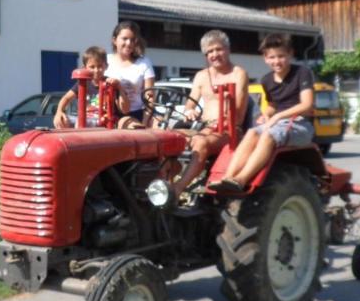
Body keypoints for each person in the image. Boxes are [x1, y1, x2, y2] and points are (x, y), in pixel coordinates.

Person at [210, 33, 315, 193]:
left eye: (281, 56)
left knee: (268, 135)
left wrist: (278, 116)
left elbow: (307, 105)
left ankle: (241, 179)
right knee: (252, 132)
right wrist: (266, 114)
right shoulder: (266, 80)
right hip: (277, 124)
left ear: (290, 54)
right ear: (265, 58)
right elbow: (273, 105)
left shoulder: (302, 73)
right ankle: (228, 177)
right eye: (272, 57)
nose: (276, 61)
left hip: (300, 124)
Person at [172, 30, 248, 192]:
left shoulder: (238, 74)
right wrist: (189, 111)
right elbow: (189, 104)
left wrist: (229, 101)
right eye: (210, 51)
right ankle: (162, 182)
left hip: (230, 130)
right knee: (166, 138)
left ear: (227, 50)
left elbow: (239, 113)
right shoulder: (201, 76)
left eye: (218, 49)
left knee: (201, 142)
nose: (215, 54)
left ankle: (178, 189)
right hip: (205, 128)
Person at [53, 46, 129, 129]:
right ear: (85, 68)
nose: (96, 70)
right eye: (92, 67)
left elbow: (125, 110)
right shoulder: (83, 83)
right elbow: (66, 98)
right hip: (84, 118)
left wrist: (119, 87)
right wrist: (59, 112)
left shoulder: (110, 83)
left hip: (103, 120)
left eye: (100, 66)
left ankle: (80, 141)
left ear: (106, 66)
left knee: (80, 123)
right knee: (61, 120)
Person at [105, 20, 156, 127]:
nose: (129, 43)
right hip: (111, 113)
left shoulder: (144, 63)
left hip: (139, 113)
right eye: (125, 39)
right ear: (114, 40)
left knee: (161, 125)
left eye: (132, 40)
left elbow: (150, 97)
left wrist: (145, 123)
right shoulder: (105, 61)